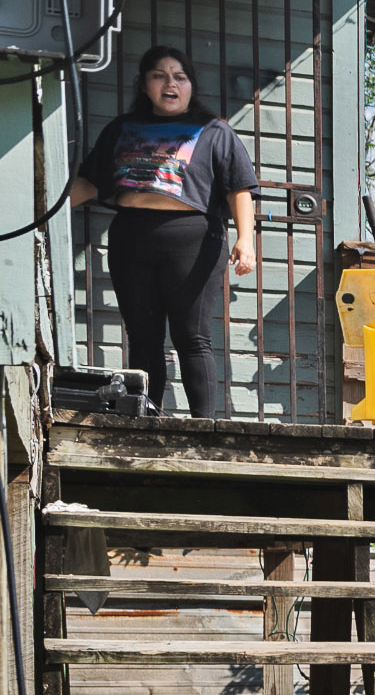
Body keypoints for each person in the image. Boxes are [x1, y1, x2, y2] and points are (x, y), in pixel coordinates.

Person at [69, 46, 258, 418]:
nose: (170, 83)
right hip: (131, 237)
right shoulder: (121, 130)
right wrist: (37, 207)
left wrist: (245, 239)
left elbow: (240, 188)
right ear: (144, 85)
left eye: (179, 77)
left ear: (190, 86)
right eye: (159, 75)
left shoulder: (213, 130)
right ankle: (145, 423)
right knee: (143, 339)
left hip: (193, 237)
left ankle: (204, 428)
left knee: (192, 337)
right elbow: (90, 183)